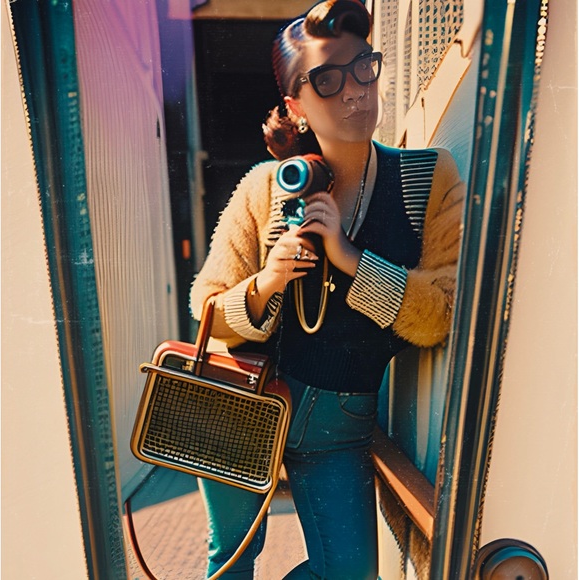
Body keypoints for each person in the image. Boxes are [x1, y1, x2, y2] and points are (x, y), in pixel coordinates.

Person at [190, 1, 465, 578]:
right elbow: (207, 307)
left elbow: (443, 311)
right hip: (241, 403)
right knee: (231, 562)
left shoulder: (425, 178)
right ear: (295, 105)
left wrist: (350, 258)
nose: (354, 91)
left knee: (351, 573)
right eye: (327, 80)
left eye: (363, 66)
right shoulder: (266, 186)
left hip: (339, 424)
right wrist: (267, 283)